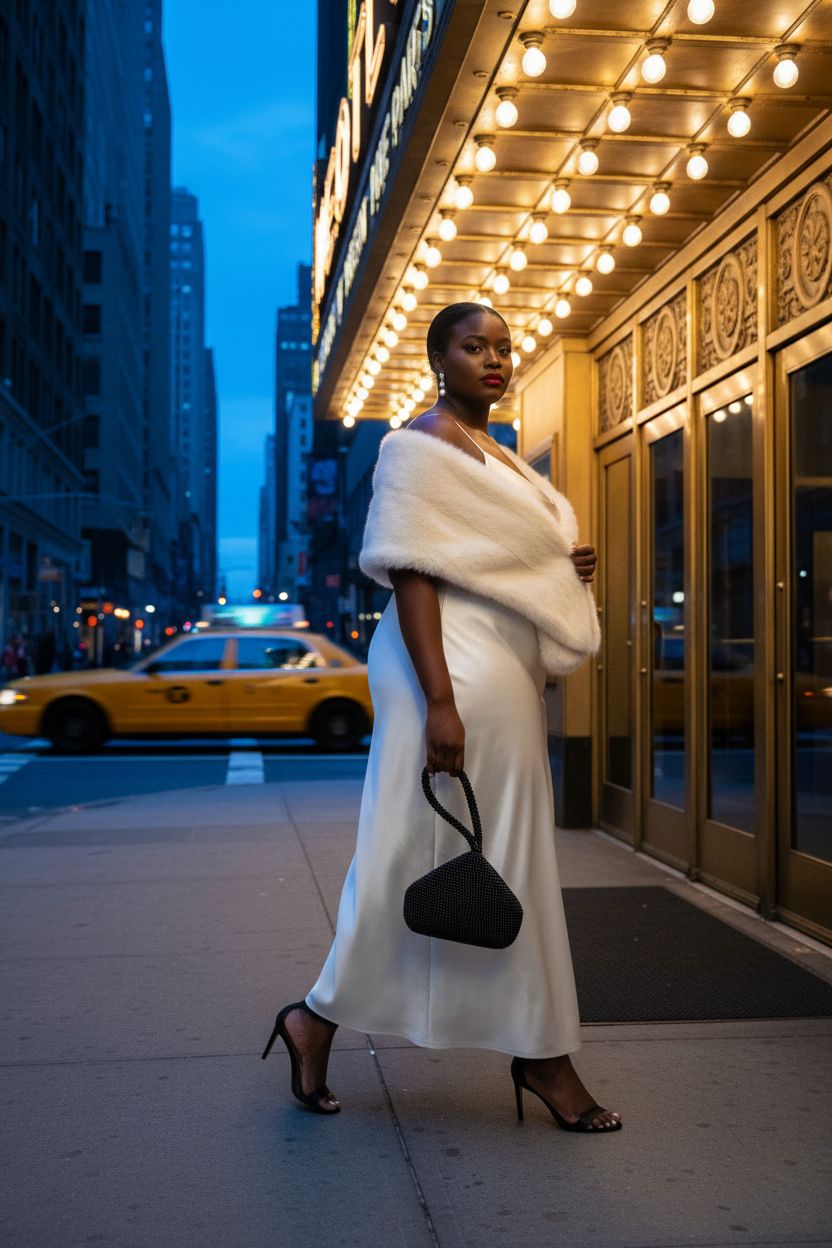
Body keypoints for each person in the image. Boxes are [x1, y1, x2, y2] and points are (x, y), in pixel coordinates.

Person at [263, 303, 622, 1133]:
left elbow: (494, 558)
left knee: (493, 851)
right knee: (413, 851)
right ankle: (540, 1057)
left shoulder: (497, 457)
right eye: (474, 347)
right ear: (440, 362)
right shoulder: (416, 445)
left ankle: (321, 1021)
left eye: (503, 347)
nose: (493, 359)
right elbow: (414, 574)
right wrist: (440, 703)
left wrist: (561, 566)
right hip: (448, 663)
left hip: (495, 663)